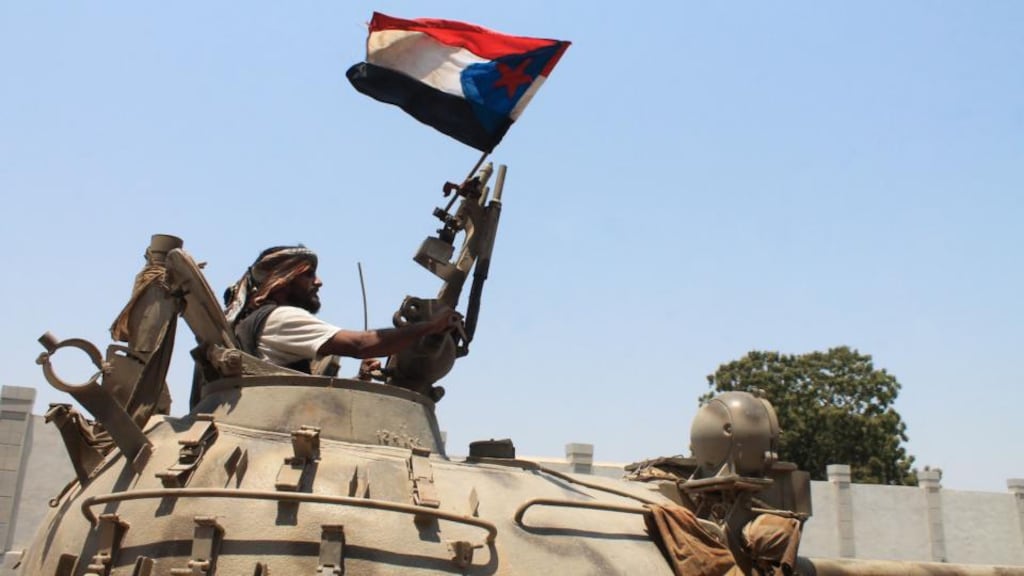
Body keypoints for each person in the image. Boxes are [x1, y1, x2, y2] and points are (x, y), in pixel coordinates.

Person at [223, 245, 458, 378]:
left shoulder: (251, 322)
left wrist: (359, 379)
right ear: (281, 282)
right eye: (308, 275)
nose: (318, 282)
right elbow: (361, 344)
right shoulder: (281, 318)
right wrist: (430, 326)